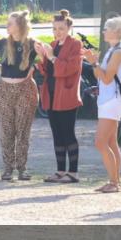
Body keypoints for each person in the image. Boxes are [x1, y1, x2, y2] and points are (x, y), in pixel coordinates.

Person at [0, 10, 41, 181]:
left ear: (20, 26)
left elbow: (47, 56)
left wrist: (34, 68)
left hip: (25, 89)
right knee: (6, 130)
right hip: (4, 90)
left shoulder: (32, 43)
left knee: (23, 131)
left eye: (10, 23)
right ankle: (8, 168)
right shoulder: (2, 43)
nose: (7, 26)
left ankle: (22, 168)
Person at [82, 16, 121, 194]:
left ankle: (114, 182)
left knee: (100, 143)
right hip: (107, 100)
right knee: (111, 142)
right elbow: (100, 76)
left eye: (106, 28)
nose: (103, 31)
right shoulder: (112, 51)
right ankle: (114, 181)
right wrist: (92, 60)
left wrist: (94, 62)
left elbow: (107, 78)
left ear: (116, 31)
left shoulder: (118, 53)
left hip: (112, 102)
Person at [35, 10, 83, 183]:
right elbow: (46, 71)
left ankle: (74, 172)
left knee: (68, 133)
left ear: (69, 27)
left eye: (61, 28)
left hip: (67, 96)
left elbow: (70, 69)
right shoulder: (52, 44)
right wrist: (42, 57)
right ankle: (60, 171)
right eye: (54, 28)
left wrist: (51, 57)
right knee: (57, 134)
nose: (57, 32)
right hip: (52, 95)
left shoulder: (75, 45)